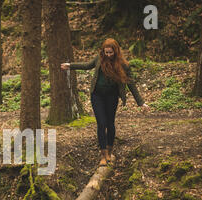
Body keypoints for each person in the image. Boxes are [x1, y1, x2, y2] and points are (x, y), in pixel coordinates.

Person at [61, 38, 149, 166]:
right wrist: (70, 66)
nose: (108, 55)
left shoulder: (123, 64)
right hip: (97, 96)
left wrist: (141, 103)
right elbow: (87, 66)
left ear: (116, 51)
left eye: (110, 53)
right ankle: (103, 155)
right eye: (106, 52)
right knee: (101, 124)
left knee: (110, 123)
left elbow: (131, 84)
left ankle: (109, 151)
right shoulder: (99, 59)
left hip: (112, 97)